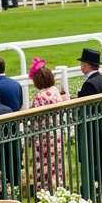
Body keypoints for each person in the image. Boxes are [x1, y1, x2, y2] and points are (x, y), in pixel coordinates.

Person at [77, 47, 102, 201]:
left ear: (86, 65)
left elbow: (85, 109)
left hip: (92, 130)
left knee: (92, 161)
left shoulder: (90, 84)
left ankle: (90, 192)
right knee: (101, 159)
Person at [28, 59, 66, 193]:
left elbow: (34, 118)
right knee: (57, 163)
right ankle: (58, 187)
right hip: (56, 134)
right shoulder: (54, 91)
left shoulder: (40, 97)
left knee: (43, 166)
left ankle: (44, 191)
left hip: (42, 137)